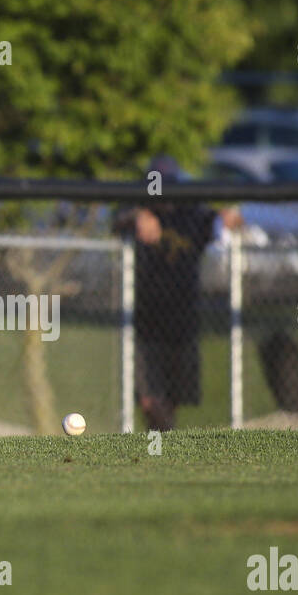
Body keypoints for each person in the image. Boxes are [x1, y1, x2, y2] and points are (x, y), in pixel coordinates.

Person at [118, 155, 219, 431]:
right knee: (149, 398)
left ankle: (162, 449)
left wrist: (230, 214)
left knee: (174, 396)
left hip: (183, 318)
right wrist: (137, 215)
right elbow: (119, 217)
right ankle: (163, 443)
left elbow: (218, 218)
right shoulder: (139, 207)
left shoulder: (192, 212)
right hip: (144, 320)